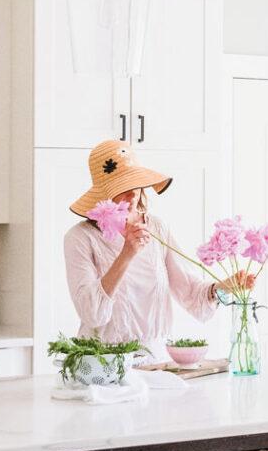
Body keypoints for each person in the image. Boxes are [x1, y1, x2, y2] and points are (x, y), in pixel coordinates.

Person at [65, 140, 252, 363]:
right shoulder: (80, 237)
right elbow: (92, 313)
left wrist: (224, 287)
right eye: (122, 188)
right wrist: (127, 253)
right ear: (102, 195)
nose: (132, 195)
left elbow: (190, 291)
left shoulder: (156, 228)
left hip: (156, 361)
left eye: (135, 184)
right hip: (102, 362)